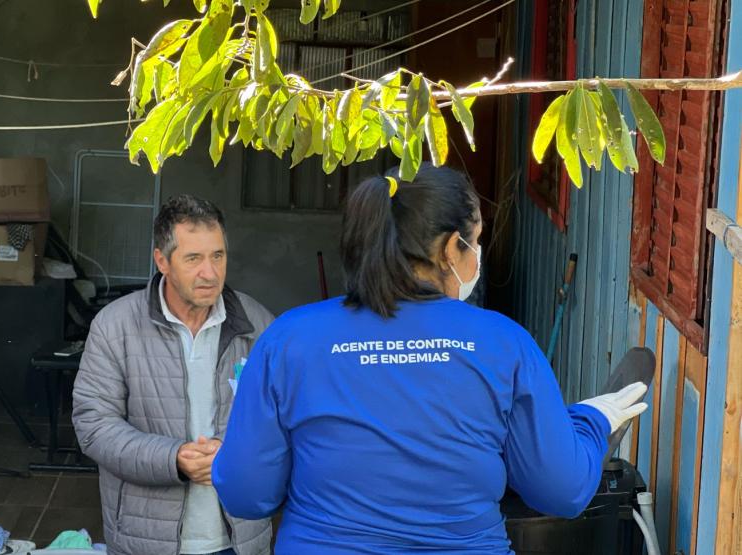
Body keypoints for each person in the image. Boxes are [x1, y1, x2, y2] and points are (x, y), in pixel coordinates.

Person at [212, 164, 648, 554]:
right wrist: (590, 421)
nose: (477, 256)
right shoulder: (502, 343)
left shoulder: (288, 340)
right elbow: (561, 490)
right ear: (450, 248)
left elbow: (245, 493)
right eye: (475, 242)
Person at [73, 194, 274, 555]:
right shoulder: (115, 326)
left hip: (240, 536)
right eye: (193, 258)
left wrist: (236, 452)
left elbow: (283, 418)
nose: (210, 273)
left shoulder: (257, 324)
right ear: (162, 261)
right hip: (146, 539)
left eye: (218, 256)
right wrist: (173, 459)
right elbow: (94, 425)